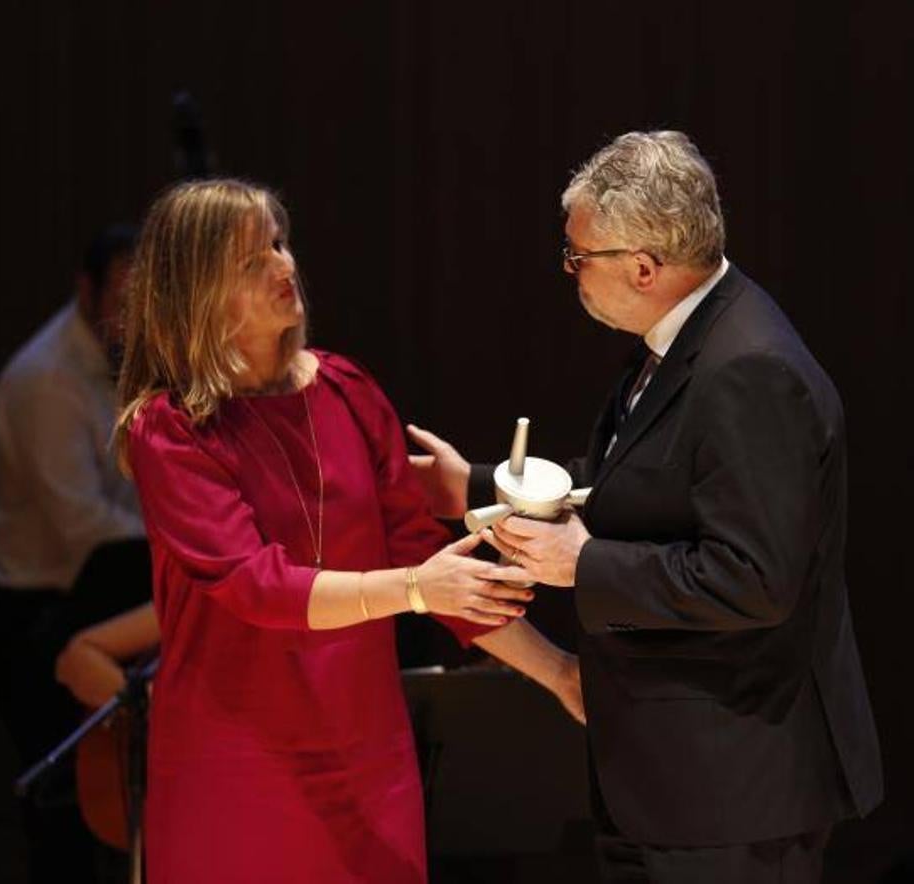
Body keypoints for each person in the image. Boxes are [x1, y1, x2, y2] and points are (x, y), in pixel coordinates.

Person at [408, 130, 883, 883]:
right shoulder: (685, 332)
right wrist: (471, 483)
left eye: (577, 257)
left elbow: (754, 579)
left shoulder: (748, 369)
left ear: (642, 266)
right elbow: (635, 483)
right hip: (674, 777)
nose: (569, 273)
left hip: (734, 786)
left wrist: (584, 564)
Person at [113, 178, 582, 884]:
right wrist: (417, 589)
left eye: (279, 243)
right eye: (252, 261)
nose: (285, 266)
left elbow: (429, 561)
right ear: (196, 291)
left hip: (366, 754)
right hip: (234, 765)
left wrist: (560, 673)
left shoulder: (345, 388)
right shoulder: (169, 429)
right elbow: (254, 585)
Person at [0, 223, 149, 883]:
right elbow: (85, 529)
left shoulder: (131, 360)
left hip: (108, 606)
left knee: (117, 814)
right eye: (122, 297)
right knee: (62, 829)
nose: (134, 316)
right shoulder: (42, 381)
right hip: (42, 616)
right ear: (86, 290)